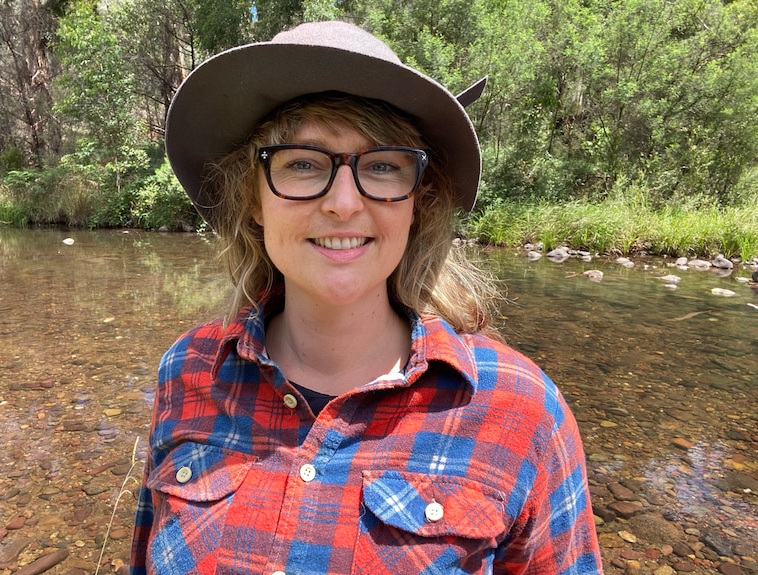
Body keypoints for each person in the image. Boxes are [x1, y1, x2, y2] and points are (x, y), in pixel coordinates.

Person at [130, 20, 603, 575]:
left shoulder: (521, 412)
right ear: (252, 200)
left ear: (416, 203)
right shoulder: (188, 372)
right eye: (303, 163)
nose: (344, 203)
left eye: (381, 166)